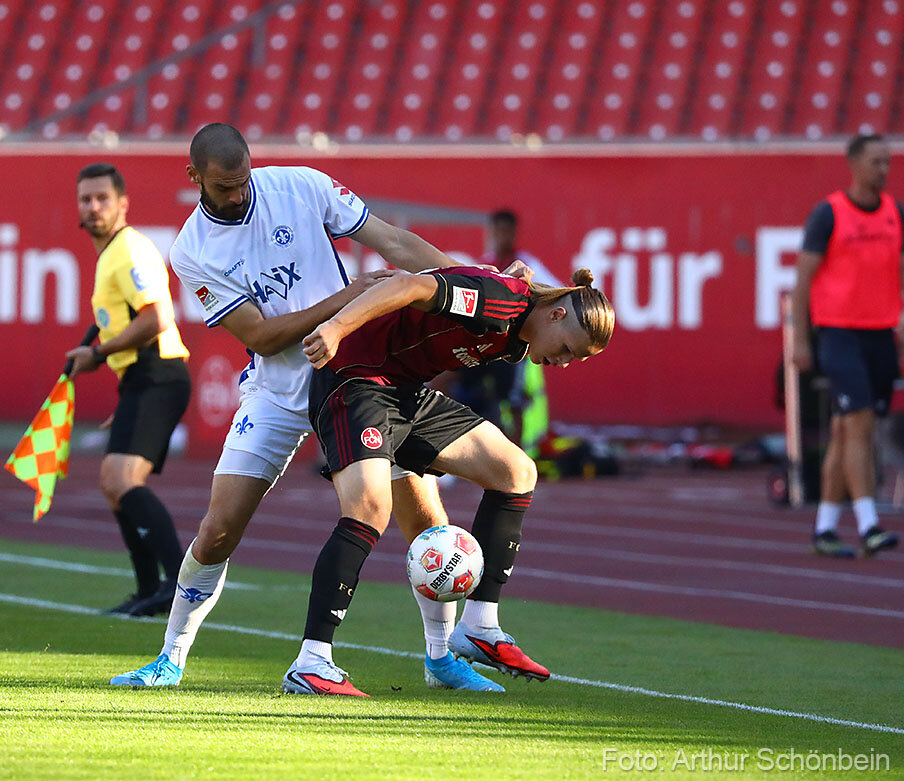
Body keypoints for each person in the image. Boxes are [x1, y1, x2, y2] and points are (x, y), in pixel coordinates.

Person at [109, 123, 530, 692]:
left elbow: (395, 243)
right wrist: (348, 299)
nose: (238, 193)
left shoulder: (302, 186)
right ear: (195, 177)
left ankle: (439, 660)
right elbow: (260, 337)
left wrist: (474, 283)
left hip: (360, 380)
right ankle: (170, 658)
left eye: (243, 181)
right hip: (278, 393)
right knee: (219, 530)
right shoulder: (191, 250)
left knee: (425, 521)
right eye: (224, 186)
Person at [283, 265, 614, 696]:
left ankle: (479, 626)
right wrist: (336, 326)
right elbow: (408, 284)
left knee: (516, 472)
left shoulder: (520, 334)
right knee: (369, 509)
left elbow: (452, 283)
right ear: (556, 314)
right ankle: (311, 662)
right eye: (568, 348)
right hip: (356, 380)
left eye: (575, 358)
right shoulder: (500, 301)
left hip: (406, 393)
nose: (565, 362)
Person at [66, 163, 192, 615]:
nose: (93, 207)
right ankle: (148, 591)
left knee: (121, 479)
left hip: (160, 374)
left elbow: (156, 318)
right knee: (113, 482)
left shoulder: (130, 249)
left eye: (103, 198)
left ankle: (180, 587)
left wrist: (98, 354)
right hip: (141, 380)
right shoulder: (111, 256)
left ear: (123, 203)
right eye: (86, 199)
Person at [791, 133, 902, 558]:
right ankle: (869, 524)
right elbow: (802, 282)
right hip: (839, 334)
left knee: (845, 432)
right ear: (853, 164)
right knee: (859, 422)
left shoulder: (895, 213)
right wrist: (801, 340)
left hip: (880, 334)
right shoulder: (830, 214)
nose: (883, 169)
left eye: (887, 161)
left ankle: (824, 528)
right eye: (875, 161)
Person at [451, 210, 561, 450]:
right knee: (452, 380)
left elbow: (557, 294)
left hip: (513, 345)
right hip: (485, 341)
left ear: (514, 233)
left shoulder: (528, 266)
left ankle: (517, 454)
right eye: (497, 231)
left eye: (506, 231)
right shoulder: (485, 264)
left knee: (513, 400)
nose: (502, 236)